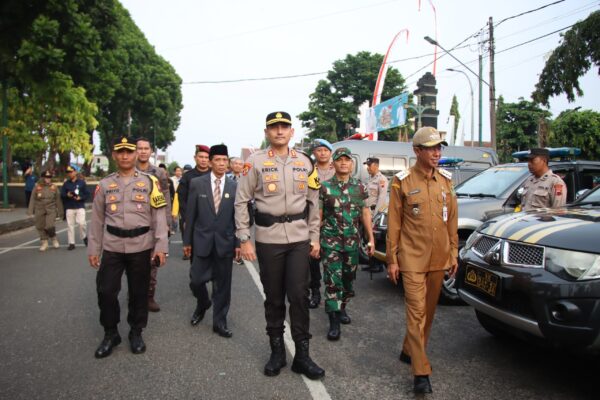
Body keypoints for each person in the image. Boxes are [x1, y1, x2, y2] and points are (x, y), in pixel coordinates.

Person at [235, 111, 325, 380]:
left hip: (298, 238)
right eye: (274, 127)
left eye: (284, 126)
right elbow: (241, 200)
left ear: (292, 131)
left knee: (299, 296)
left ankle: (302, 355)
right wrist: (244, 238)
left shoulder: (305, 162)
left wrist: (315, 237)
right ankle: (276, 352)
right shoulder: (256, 162)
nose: (279, 131)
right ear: (267, 132)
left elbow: (313, 202)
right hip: (268, 239)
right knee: (274, 298)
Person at [386, 126, 458, 394]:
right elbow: (394, 225)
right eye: (431, 148)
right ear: (417, 151)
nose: (437, 153)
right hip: (412, 259)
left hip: (439, 258)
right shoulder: (401, 181)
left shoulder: (446, 181)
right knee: (416, 313)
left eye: (439, 148)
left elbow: (451, 220)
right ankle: (420, 370)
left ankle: (409, 349)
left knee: (428, 313)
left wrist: (453, 252)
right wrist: (392, 259)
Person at [87, 136, 168, 359]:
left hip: (141, 245)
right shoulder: (104, 185)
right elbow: (96, 220)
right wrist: (94, 249)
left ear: (136, 155)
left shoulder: (150, 182)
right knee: (106, 291)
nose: (125, 156)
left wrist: (161, 245)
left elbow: (159, 216)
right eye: (120, 152)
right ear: (114, 155)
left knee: (139, 293)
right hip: (112, 246)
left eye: (129, 152)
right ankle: (111, 332)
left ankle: (136, 331)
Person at [183, 144, 240, 338]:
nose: (222, 164)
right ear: (210, 161)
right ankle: (203, 303)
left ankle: (220, 322)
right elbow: (190, 215)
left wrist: (239, 243)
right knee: (196, 280)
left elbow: (239, 218)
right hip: (201, 241)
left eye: (225, 160)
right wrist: (187, 242)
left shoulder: (235, 186)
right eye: (218, 160)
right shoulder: (197, 183)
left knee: (222, 286)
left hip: (225, 242)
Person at [320, 147, 374, 340]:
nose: (343, 162)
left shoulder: (359, 187)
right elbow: (318, 216)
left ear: (352, 164)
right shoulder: (324, 187)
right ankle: (334, 322)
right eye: (339, 159)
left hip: (352, 243)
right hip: (330, 242)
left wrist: (371, 238)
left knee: (348, 281)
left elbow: (365, 213)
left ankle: (342, 307)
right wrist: (314, 242)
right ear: (333, 163)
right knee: (332, 281)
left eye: (346, 160)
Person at [136, 137, 172, 313]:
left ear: (151, 151)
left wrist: (167, 223)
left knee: (153, 262)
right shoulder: (129, 170)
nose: (143, 151)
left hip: (154, 223)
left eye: (146, 148)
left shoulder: (159, 173)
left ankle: (149, 296)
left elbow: (165, 197)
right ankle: (135, 294)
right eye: (139, 148)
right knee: (134, 263)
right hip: (134, 224)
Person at [307, 138, 335, 309]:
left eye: (325, 150)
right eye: (319, 150)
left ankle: (334, 299)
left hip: (334, 224)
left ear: (330, 153)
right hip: (312, 223)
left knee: (333, 264)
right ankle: (315, 293)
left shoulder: (337, 170)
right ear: (314, 153)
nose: (322, 153)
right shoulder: (309, 171)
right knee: (312, 261)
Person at [177, 145, 211, 258]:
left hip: (211, 219)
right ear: (195, 158)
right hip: (193, 220)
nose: (204, 160)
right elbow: (182, 199)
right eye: (201, 157)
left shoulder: (214, 175)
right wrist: (187, 218)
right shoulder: (187, 177)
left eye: (206, 157)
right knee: (195, 255)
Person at [28, 170, 63, 251]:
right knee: (40, 226)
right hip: (39, 209)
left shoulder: (54, 187)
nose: (48, 179)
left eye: (49, 177)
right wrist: (30, 210)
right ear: (42, 178)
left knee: (50, 225)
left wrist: (61, 212)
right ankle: (44, 242)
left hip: (51, 209)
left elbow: (58, 200)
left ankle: (53, 238)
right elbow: (32, 198)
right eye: (46, 177)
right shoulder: (37, 187)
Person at [61, 166, 89, 250]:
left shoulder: (81, 183)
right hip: (69, 206)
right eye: (68, 172)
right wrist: (67, 195)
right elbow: (62, 194)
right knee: (70, 225)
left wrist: (80, 197)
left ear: (75, 172)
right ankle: (71, 243)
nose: (70, 174)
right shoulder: (66, 184)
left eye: (71, 172)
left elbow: (87, 194)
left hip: (79, 205)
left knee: (81, 223)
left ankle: (84, 236)